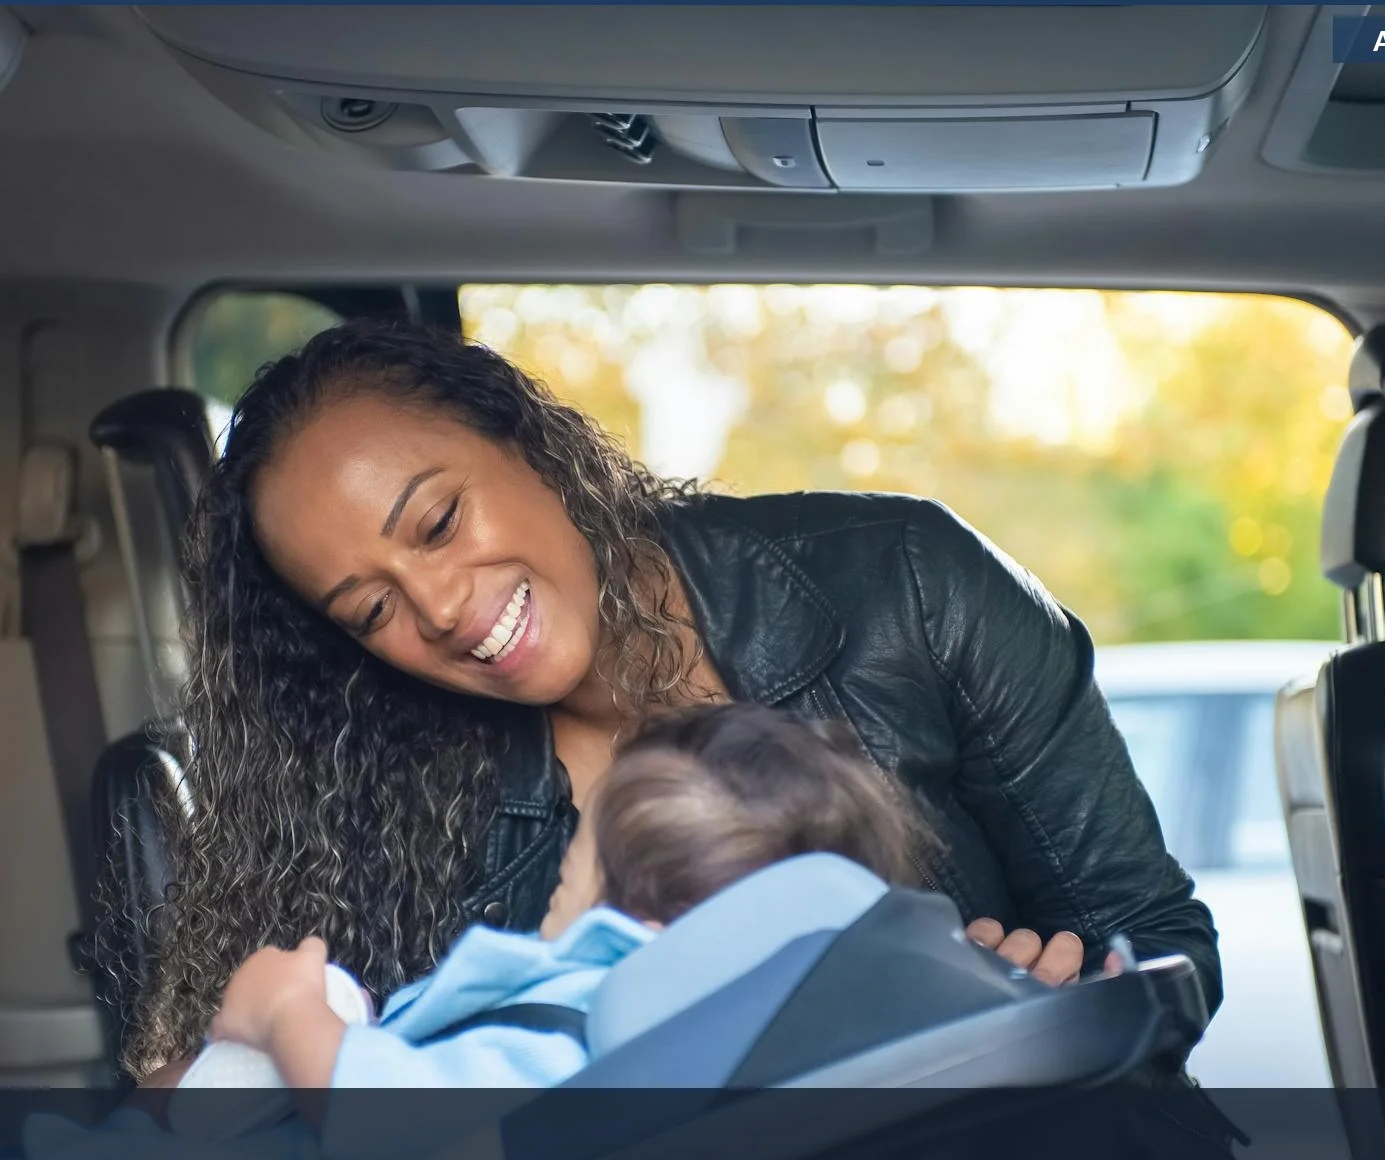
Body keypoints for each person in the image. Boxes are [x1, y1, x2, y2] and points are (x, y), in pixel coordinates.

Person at [125, 319, 1219, 1085]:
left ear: (523, 440)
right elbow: (330, 1067)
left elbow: (1160, 938)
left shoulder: (909, 583)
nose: (444, 608)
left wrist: (1054, 990)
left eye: (438, 522)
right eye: (371, 609)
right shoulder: (393, 779)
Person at [195, 701, 933, 1091]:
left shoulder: (581, 1039)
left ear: (633, 927)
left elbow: (382, 1119)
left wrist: (287, 1011)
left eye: (575, 858)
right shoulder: (776, 1058)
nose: (556, 875)